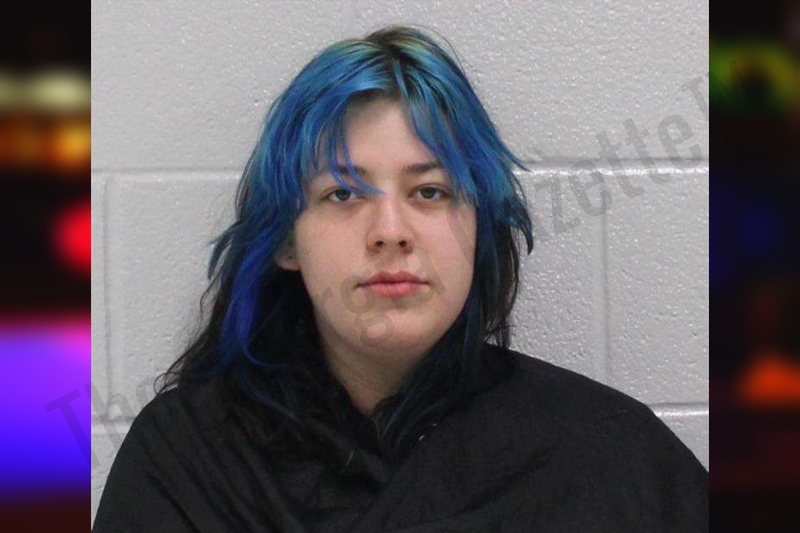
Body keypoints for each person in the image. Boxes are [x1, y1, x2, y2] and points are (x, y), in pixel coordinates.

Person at [93, 26, 708, 532]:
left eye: (430, 191)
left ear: (479, 229)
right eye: (342, 194)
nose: (390, 231)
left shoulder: (608, 459)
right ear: (286, 241)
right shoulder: (186, 463)